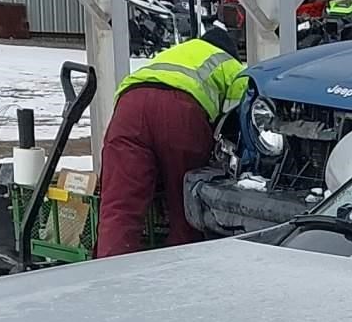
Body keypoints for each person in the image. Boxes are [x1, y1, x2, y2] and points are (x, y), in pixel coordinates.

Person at [92, 36, 250, 258]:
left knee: (119, 208)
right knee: (187, 207)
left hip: (129, 108)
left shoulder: (174, 52)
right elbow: (238, 122)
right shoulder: (232, 66)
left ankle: (108, 272)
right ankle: (181, 272)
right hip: (180, 113)